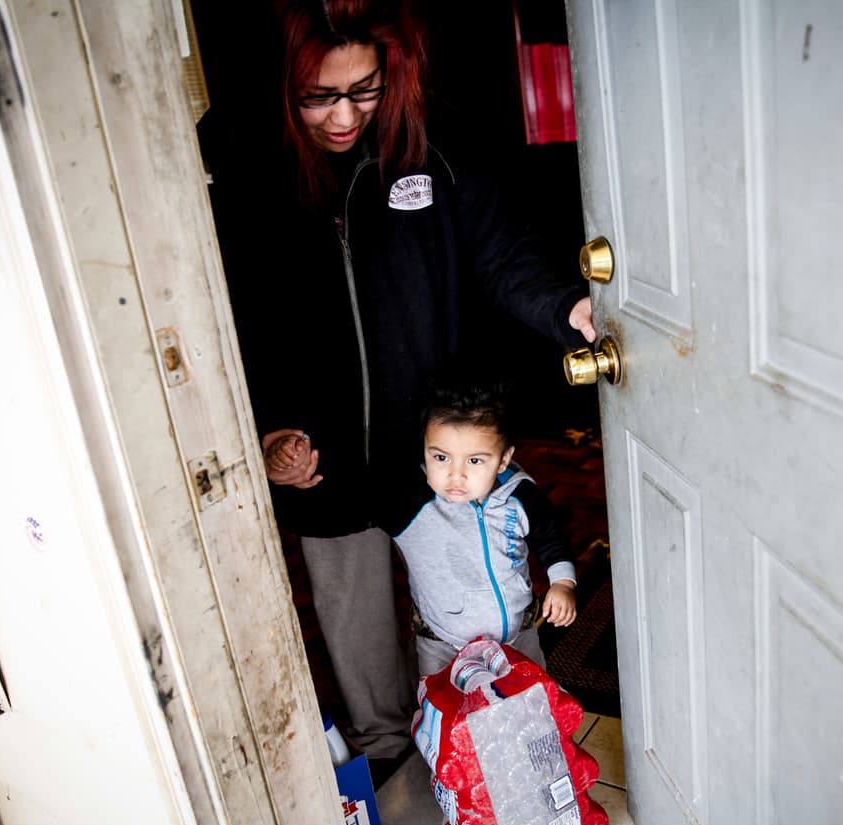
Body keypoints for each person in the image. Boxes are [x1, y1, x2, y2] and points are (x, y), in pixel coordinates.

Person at [202, 0, 596, 777]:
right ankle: (388, 751)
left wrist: (567, 308)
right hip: (322, 453)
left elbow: (501, 255)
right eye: (319, 97)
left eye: (365, 90)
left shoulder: (433, 147)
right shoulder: (249, 168)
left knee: (463, 606)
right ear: (285, 85)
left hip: (433, 443)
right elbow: (236, 317)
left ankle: (479, 742)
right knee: (352, 615)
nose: (345, 116)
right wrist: (267, 428)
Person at [376, 379, 578, 678]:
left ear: (503, 460)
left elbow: (550, 535)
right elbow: (354, 501)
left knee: (530, 695)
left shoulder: (518, 495)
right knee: (444, 706)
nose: (455, 475)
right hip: (443, 645)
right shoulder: (410, 503)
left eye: (474, 460)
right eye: (441, 457)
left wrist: (562, 583)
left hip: (518, 636)